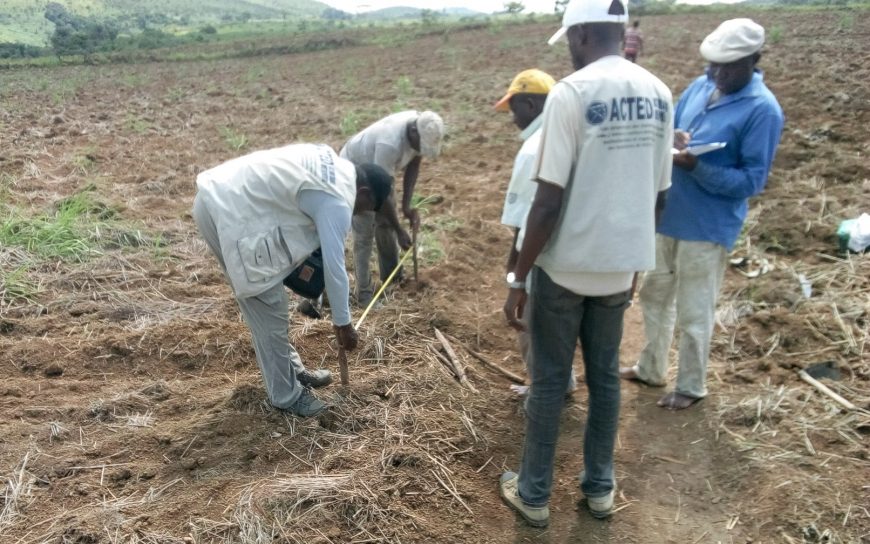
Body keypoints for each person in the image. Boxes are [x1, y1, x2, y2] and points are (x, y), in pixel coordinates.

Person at [499, 0, 673, 527]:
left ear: (578, 36)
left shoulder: (571, 94)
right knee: (604, 379)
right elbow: (659, 195)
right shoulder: (660, 93)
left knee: (550, 383)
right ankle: (599, 489)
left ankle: (533, 494)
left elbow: (546, 202)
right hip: (620, 268)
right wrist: (637, 258)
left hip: (566, 267)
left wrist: (519, 275)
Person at [620, 19, 784, 410]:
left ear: (753, 61)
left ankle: (691, 385)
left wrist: (697, 166)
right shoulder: (700, 86)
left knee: (695, 309)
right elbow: (672, 129)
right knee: (655, 294)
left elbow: (751, 181)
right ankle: (651, 367)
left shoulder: (763, 110)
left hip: (708, 226)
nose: (717, 74)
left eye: (727, 67)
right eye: (712, 65)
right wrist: (674, 138)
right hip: (670, 214)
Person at [192, 143, 393, 417]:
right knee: (269, 310)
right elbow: (336, 268)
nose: (361, 214)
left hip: (223, 201)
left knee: (270, 310)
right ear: (365, 193)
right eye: (367, 208)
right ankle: (286, 396)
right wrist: (343, 324)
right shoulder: (338, 199)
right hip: (228, 212)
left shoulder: (332, 164)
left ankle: (293, 372)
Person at [494, 68, 577, 394]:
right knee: (559, 327)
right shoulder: (570, 134)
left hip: (544, 254)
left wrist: (517, 273)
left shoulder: (533, 149)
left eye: (513, 109)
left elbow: (528, 219)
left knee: (532, 323)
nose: (513, 118)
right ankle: (562, 381)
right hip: (574, 249)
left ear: (529, 104)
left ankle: (545, 391)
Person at [340, 110, 445, 307]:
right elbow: (383, 195)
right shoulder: (389, 143)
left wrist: (406, 206)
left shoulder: (419, 129)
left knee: (386, 222)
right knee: (364, 234)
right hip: (354, 171)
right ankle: (364, 294)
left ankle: (393, 277)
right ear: (413, 131)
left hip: (378, 175)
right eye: (419, 145)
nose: (419, 149)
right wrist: (399, 230)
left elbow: (413, 165)